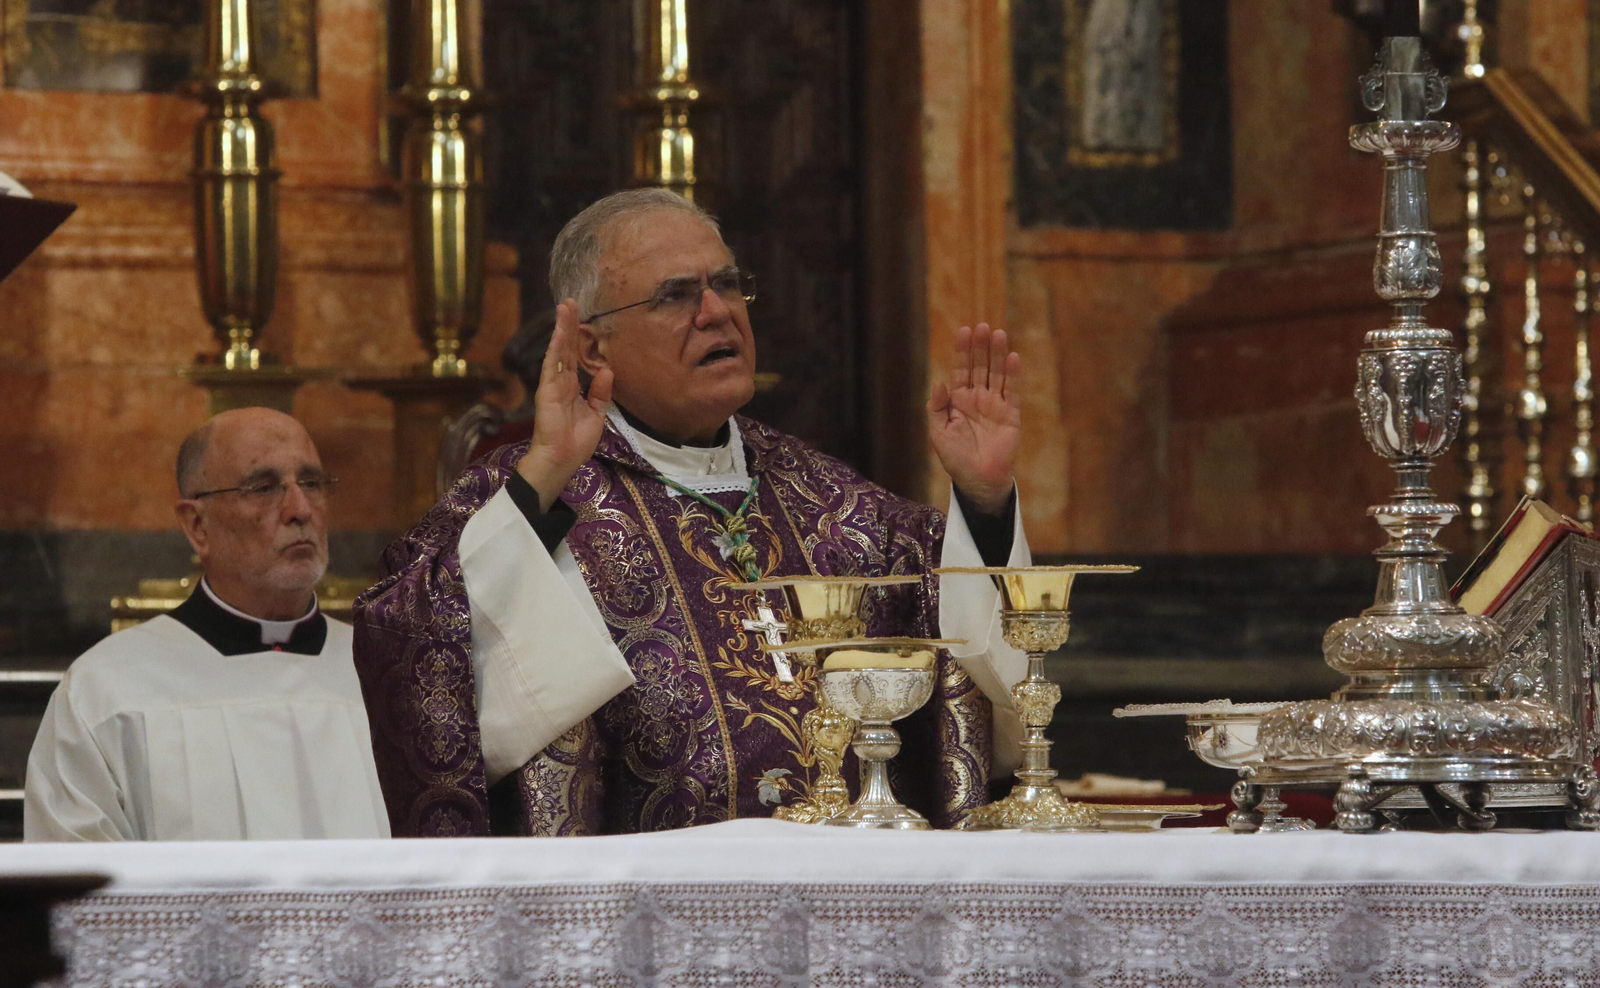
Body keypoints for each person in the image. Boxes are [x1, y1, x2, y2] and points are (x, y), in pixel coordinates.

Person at [355, 188, 1031, 836]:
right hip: (640, 919)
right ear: (591, 346)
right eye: (676, 295)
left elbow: (971, 662)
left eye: (728, 284)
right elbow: (412, 643)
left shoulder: (831, 500)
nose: (717, 312)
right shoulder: (533, 493)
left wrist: (983, 501)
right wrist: (543, 476)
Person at [25, 409, 389, 841]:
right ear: (197, 526)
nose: (300, 509)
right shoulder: (106, 693)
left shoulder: (390, 674)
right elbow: (78, 890)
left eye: (311, 482)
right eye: (264, 487)